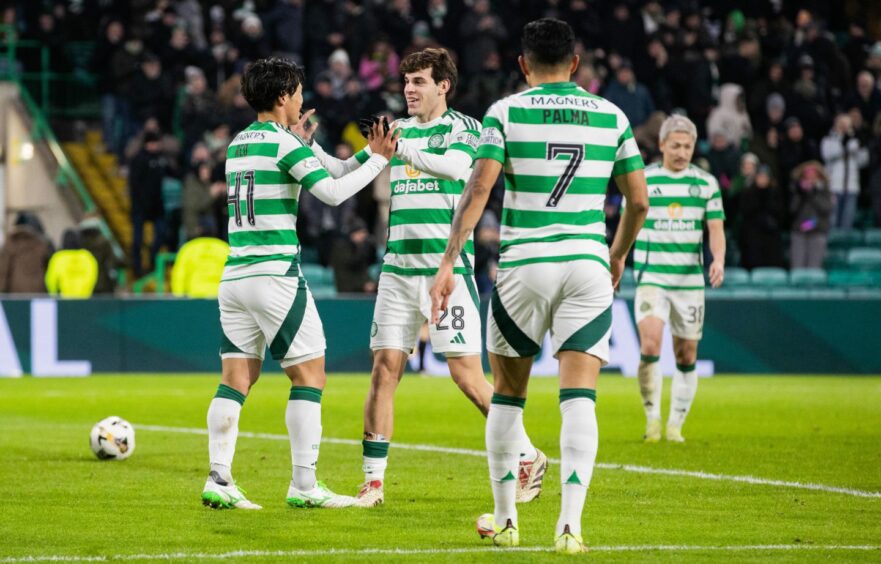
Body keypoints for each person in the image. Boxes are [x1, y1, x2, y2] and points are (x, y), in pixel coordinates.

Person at [430, 19, 648, 553]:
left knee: (507, 398)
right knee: (579, 399)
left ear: (523, 65)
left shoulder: (505, 112)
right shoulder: (612, 116)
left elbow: (480, 188)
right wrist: (616, 255)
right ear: (575, 64)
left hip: (525, 266)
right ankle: (570, 528)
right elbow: (638, 201)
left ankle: (507, 521)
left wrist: (448, 261)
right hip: (586, 265)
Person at [302, 48, 544, 508]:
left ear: (443, 86)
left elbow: (456, 167)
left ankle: (528, 453)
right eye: (406, 81)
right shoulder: (398, 133)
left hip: (444, 272)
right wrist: (305, 145)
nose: (408, 89)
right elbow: (341, 171)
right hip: (396, 271)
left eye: (418, 81)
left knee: (468, 378)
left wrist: (398, 148)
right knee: (384, 371)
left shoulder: (466, 129)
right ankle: (373, 482)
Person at [201, 57, 397, 511]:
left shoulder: (239, 144)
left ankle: (219, 478)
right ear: (284, 95)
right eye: (300, 92)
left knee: (235, 379)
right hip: (274, 275)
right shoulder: (281, 143)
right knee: (310, 376)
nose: (304, 100)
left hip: (235, 276)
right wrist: (380, 164)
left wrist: (367, 155)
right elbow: (330, 191)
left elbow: (330, 168)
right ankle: (304, 485)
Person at [633, 115, 726, 444]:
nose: (682, 151)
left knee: (686, 355)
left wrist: (718, 259)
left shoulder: (705, 184)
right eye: (676, 145)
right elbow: (631, 218)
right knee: (650, 345)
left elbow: (715, 228)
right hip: (652, 277)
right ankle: (652, 419)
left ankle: (676, 425)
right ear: (661, 145)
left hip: (689, 284)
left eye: (687, 146)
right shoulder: (644, 179)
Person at [820, 113, 869, 230]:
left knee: (847, 224)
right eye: (842, 124)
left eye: (847, 125)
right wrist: (843, 144)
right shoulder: (828, 140)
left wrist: (859, 146)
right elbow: (827, 155)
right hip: (834, 188)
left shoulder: (854, 141)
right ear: (836, 125)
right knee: (832, 222)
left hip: (851, 188)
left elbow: (864, 161)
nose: (844, 127)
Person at [789, 161, 833, 269]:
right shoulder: (797, 192)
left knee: (814, 268)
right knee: (797, 267)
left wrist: (814, 193)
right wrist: (801, 194)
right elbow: (792, 209)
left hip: (818, 232)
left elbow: (826, 208)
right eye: (807, 177)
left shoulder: (824, 191)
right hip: (799, 232)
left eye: (813, 176)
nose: (810, 180)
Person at [0, 212, 53, 294]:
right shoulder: (42, 243)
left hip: (14, 294)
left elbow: (3, 271)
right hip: (38, 293)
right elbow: (49, 269)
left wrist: (2, 292)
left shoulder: (10, 243)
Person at [45, 229, 99, 299]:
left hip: (64, 300)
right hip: (84, 299)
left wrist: (53, 295)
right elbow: (93, 276)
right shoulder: (87, 257)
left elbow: (50, 280)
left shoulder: (58, 257)